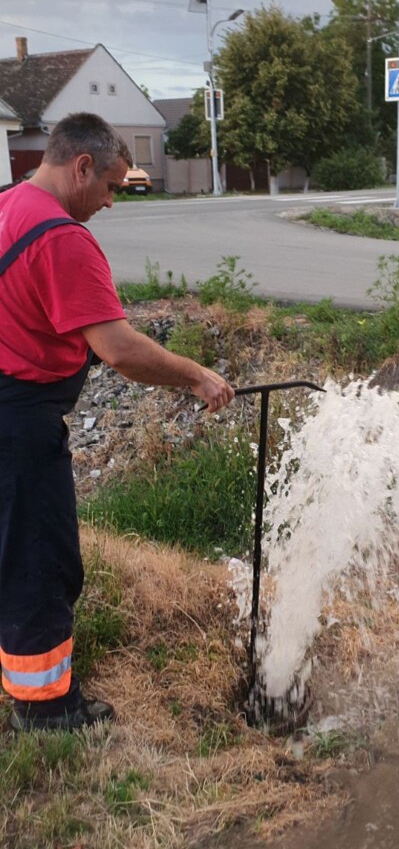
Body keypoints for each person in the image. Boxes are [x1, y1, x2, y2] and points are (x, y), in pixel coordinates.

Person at [0, 112, 234, 733]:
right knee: (38, 560)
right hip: (17, 422)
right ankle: (44, 708)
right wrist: (196, 376)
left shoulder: (8, 205)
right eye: (110, 186)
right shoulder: (60, 236)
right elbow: (120, 348)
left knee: (9, 547)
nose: (110, 202)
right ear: (81, 168)